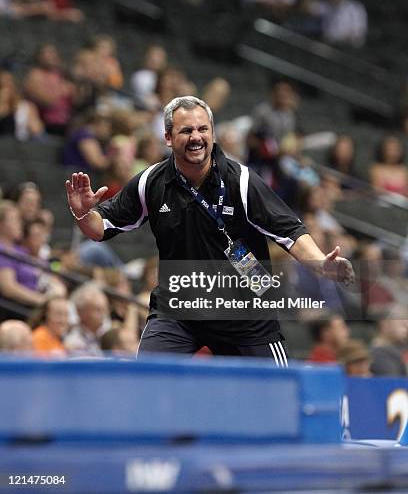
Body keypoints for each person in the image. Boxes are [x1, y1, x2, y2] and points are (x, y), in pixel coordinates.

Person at [65, 96, 354, 361]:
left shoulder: (241, 181)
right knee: (148, 379)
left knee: (277, 396)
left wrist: (320, 263)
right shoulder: (150, 182)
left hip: (244, 313)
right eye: (186, 131)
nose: (196, 137)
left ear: (213, 133)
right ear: (167, 137)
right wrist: (82, 213)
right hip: (179, 308)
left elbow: (289, 230)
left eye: (203, 129)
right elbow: (99, 228)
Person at [301, 0, 367, 46]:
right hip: (328, 45)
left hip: (348, 47)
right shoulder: (326, 5)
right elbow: (304, 7)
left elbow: (358, 33)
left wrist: (337, 40)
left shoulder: (355, 7)